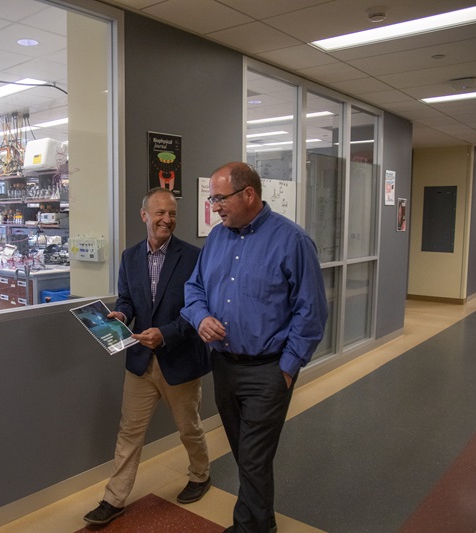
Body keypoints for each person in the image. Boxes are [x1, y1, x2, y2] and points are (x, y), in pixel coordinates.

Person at [182, 162, 327, 533]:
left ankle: (251, 528)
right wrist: (199, 318)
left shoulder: (292, 241)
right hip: (225, 367)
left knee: (254, 458)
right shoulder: (216, 238)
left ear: (248, 194)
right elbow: (193, 289)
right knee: (245, 455)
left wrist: (288, 368)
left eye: (219, 197)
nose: (214, 206)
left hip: (268, 370)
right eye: (212, 198)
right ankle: (259, 524)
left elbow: (311, 311)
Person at [84, 187, 212, 526]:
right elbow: (127, 300)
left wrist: (165, 334)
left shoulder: (194, 256)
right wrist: (122, 316)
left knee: (189, 428)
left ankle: (201, 475)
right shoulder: (129, 257)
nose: (167, 220)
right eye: (160, 213)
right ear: (144, 216)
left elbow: (198, 309)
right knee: (129, 432)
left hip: (180, 359)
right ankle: (114, 498)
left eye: (171, 214)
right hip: (141, 360)